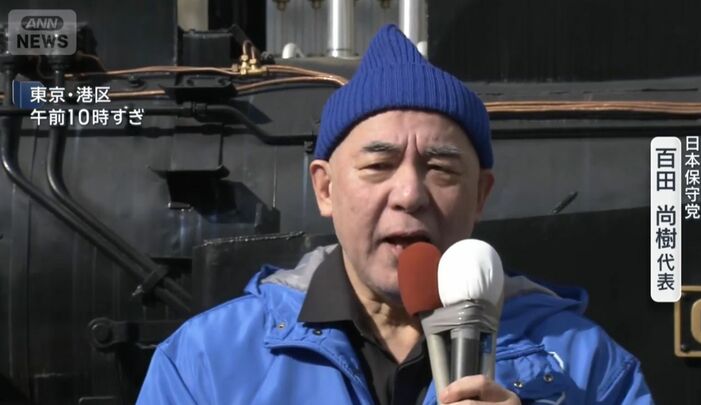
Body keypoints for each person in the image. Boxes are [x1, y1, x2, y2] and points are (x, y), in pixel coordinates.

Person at [137, 24, 653, 404]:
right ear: (325, 189)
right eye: (378, 166)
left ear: (480, 195)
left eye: (440, 168)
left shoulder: (589, 368)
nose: (409, 194)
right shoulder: (205, 364)